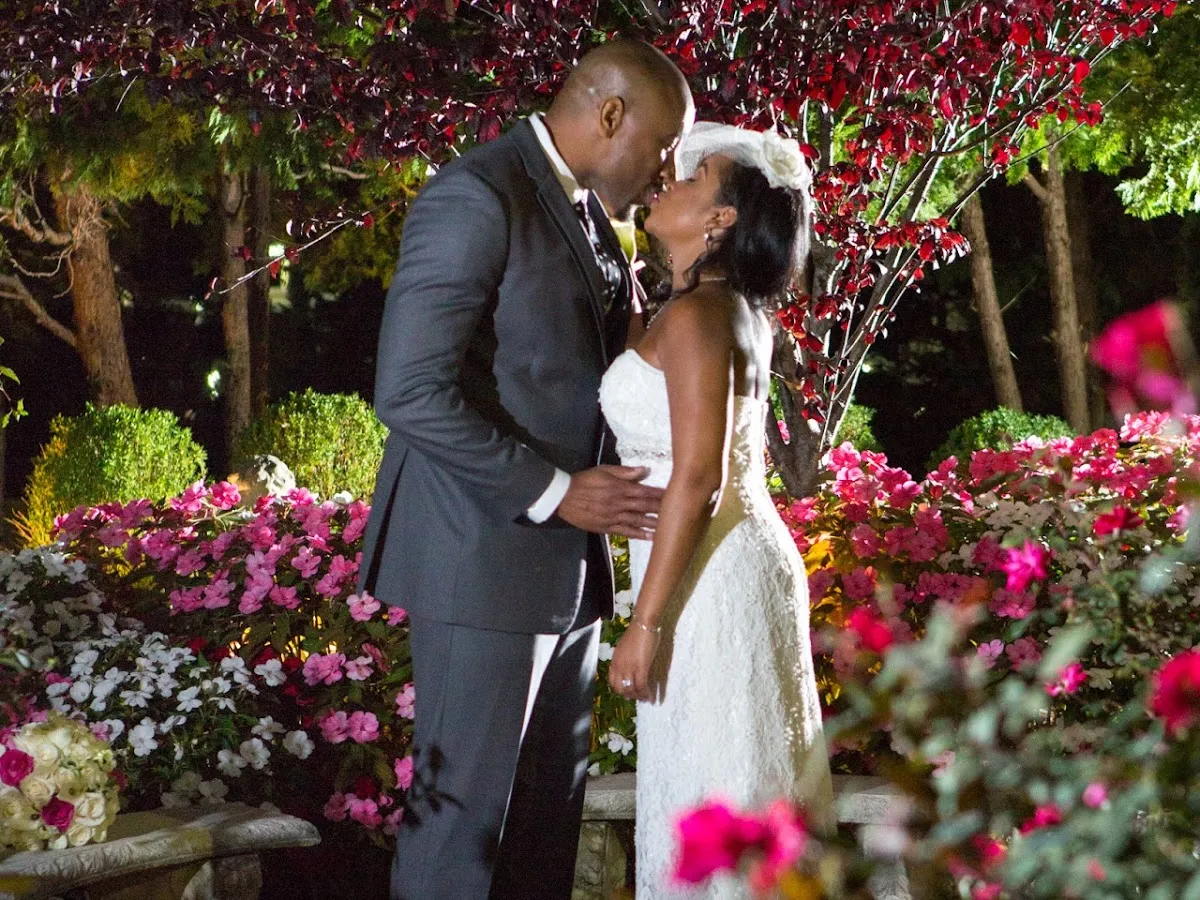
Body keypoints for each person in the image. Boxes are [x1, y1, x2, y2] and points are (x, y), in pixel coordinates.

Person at [357, 40, 694, 900]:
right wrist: (557, 493)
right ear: (610, 114)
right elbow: (409, 391)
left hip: (565, 573)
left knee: (543, 833)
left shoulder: (587, 212)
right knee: (461, 837)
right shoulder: (476, 195)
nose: (666, 172)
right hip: (483, 559)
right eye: (662, 148)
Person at [602, 123, 835, 898]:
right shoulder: (707, 307)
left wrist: (645, 624)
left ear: (720, 218)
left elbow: (698, 475)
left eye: (694, 179)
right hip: (720, 559)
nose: (670, 181)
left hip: (713, 574)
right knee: (717, 784)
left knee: (719, 783)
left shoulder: (704, 315)